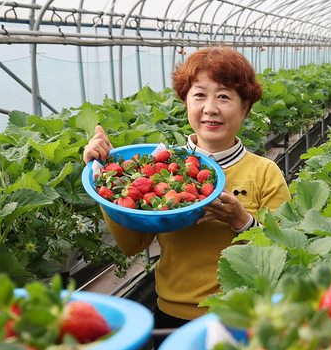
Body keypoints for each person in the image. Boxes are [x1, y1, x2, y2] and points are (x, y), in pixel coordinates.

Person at [83, 47, 290, 328]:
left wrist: (242, 221)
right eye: (200, 95)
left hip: (244, 315)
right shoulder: (163, 166)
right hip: (173, 314)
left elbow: (284, 248)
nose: (210, 108)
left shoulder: (264, 172)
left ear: (245, 108)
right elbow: (132, 245)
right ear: (186, 103)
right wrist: (102, 179)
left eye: (224, 96)